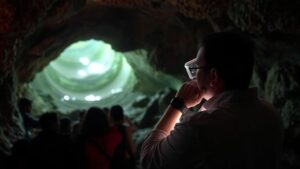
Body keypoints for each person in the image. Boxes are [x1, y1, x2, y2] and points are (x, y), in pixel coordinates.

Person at [140, 32, 284, 169]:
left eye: (197, 68)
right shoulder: (271, 114)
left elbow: (149, 161)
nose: (194, 75)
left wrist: (178, 104)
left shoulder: (199, 127)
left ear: (213, 76)